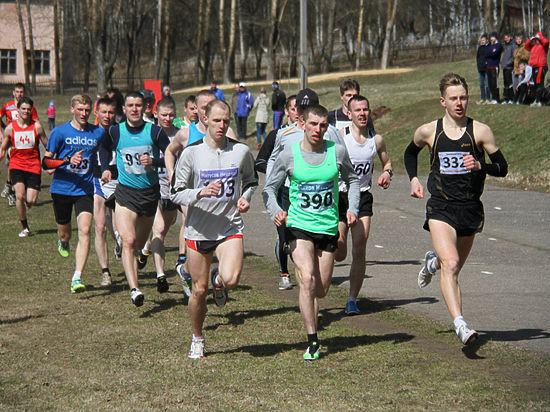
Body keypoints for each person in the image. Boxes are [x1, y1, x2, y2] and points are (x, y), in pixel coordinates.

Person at [403, 73, 508, 345]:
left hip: (470, 209)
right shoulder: (429, 131)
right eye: (453, 98)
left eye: (463, 97)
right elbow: (409, 153)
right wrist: (414, 179)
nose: (459, 103)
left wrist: (480, 165)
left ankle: (431, 262)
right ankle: (460, 324)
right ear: (443, 101)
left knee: (452, 265)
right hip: (440, 206)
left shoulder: (480, 131)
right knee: (450, 264)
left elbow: (502, 167)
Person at [263, 104, 359, 361]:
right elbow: (269, 189)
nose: (318, 129)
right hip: (298, 226)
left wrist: (353, 208)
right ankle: (313, 340)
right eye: (313, 124)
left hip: (327, 227)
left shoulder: (336, 152)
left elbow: (353, 181)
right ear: (302, 124)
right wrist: (275, 211)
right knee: (306, 280)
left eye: (323, 125)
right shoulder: (288, 155)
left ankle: (312, 317)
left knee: (322, 289)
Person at [170, 99, 258, 359]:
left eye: (226, 121)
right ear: (205, 120)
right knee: (199, 290)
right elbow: (175, 192)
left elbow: (251, 180)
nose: (222, 125)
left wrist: (247, 197)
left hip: (229, 226)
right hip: (198, 231)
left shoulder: (241, 151)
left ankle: (220, 281)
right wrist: (200, 192)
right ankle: (197, 336)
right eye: (217, 120)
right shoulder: (191, 153)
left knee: (231, 279)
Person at [265, 88, 346, 290]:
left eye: (309, 107)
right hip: (290, 191)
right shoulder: (283, 133)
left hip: (327, 196)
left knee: (335, 259)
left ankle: (310, 281)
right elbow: (272, 160)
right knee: (288, 238)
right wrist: (273, 188)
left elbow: (342, 161)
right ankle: (287, 272)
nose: (303, 111)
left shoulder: (332, 132)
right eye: (301, 107)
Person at [99, 92, 170, 307]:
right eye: (130, 105)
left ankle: (134, 254)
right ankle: (134, 289)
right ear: (124, 109)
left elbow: (170, 154)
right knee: (129, 241)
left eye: (138, 105)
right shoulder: (115, 131)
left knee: (139, 243)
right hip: (126, 193)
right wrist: (105, 169)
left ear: (144, 107)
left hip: (149, 195)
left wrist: (154, 161)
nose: (134, 109)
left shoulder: (154, 131)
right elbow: (102, 148)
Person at [334, 95, 393, 315]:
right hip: (340, 197)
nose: (362, 114)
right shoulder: (340, 137)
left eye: (365, 110)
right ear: (348, 114)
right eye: (357, 110)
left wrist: (387, 173)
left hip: (363, 197)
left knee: (360, 248)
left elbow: (387, 162)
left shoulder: (376, 139)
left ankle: (351, 299)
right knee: (340, 251)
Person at [42, 94, 106, 293]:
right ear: (72, 110)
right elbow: (46, 163)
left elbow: (108, 148)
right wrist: (67, 160)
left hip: (84, 189)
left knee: (86, 230)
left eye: (87, 110)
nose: (84, 114)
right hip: (61, 189)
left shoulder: (97, 132)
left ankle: (77, 277)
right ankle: (63, 241)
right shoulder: (59, 133)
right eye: (80, 109)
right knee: (65, 232)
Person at [255, 95, 298, 290]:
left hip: (301, 191)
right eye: (294, 109)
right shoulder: (277, 134)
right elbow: (260, 161)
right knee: (283, 235)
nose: (298, 113)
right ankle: (284, 273)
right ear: (287, 111)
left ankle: (303, 271)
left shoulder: (309, 134)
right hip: (282, 191)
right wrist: (277, 174)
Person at [138, 98, 180, 293]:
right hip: (153, 187)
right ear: (156, 114)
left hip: (172, 189)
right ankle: (161, 275)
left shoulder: (180, 136)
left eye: (171, 115)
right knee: (160, 229)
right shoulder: (149, 133)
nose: (167, 119)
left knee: (166, 227)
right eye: (164, 115)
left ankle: (146, 249)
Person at [0, 97, 48, 237]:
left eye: (28, 109)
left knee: (31, 201)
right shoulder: (10, 128)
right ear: (18, 110)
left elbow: (48, 145)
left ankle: (26, 203)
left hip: (33, 165)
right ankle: (25, 227)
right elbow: (3, 149)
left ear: (31, 110)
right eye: (23, 109)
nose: (26, 111)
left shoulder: (37, 126)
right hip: (17, 165)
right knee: (19, 196)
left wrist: (52, 161)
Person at [92, 97, 119, 287]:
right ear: (97, 112)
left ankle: (119, 242)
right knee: (99, 227)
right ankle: (105, 272)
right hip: (96, 180)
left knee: (120, 230)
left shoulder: (120, 131)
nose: (107, 116)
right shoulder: (90, 132)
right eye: (104, 112)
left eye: (111, 112)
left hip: (119, 181)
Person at [0, 83, 39, 206]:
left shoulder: (29, 107)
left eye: (21, 92)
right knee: (11, 162)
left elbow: (36, 122)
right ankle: (11, 189)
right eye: (17, 91)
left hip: (26, 139)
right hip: (12, 139)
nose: (19, 94)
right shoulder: (7, 107)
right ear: (13, 93)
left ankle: (10, 186)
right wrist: (1, 133)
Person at [525, 32, 549, 107]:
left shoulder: (544, 46)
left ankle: (538, 101)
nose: (536, 40)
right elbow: (526, 46)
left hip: (541, 66)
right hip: (534, 67)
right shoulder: (533, 46)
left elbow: (546, 42)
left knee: (539, 83)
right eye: (535, 39)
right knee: (536, 84)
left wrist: (540, 37)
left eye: (537, 39)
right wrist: (530, 39)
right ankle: (539, 99)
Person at [485, 32, 503, 104]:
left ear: (495, 37)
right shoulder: (490, 46)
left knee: (495, 83)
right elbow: (486, 54)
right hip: (488, 66)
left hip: (494, 66)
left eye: (492, 37)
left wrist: (491, 53)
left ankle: (497, 98)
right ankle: (493, 98)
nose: (491, 39)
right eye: (490, 37)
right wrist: (491, 52)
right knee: (490, 83)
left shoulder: (499, 45)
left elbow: (494, 53)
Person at [501, 33, 516, 104]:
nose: (505, 39)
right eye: (504, 38)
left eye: (506, 38)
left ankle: (511, 98)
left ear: (510, 37)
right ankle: (506, 98)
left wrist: (508, 63)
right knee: (505, 83)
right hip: (505, 68)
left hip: (509, 67)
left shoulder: (513, 45)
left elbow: (514, 56)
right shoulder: (506, 45)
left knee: (510, 83)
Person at [476, 34, 491, 104]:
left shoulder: (489, 47)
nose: (482, 41)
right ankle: (482, 98)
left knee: (487, 84)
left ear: (486, 40)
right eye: (481, 40)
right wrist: (478, 65)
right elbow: (477, 57)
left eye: (483, 40)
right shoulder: (480, 48)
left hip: (487, 68)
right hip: (480, 69)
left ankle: (488, 98)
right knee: (481, 84)